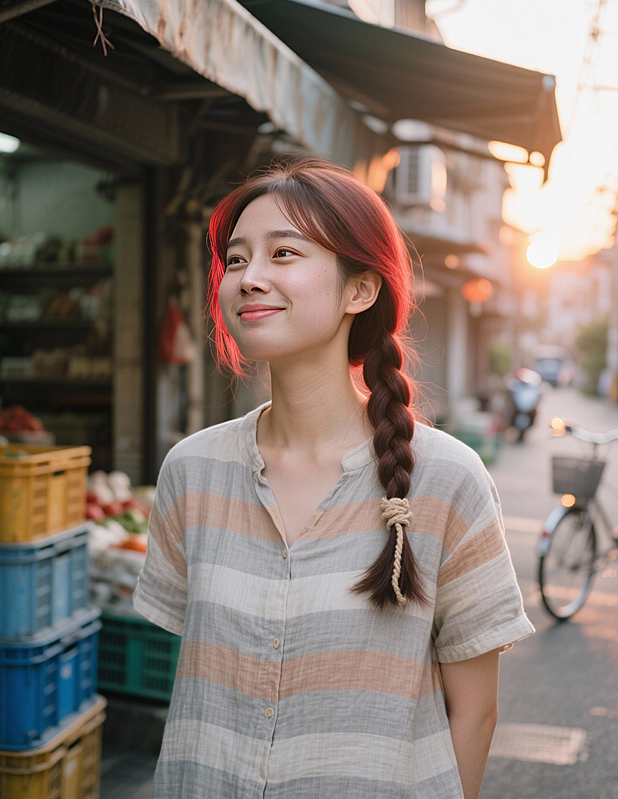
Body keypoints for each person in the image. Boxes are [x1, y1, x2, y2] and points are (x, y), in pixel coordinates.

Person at [133, 158, 534, 799]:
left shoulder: (447, 480)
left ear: (360, 290)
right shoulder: (192, 471)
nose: (249, 279)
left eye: (283, 253)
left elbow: (476, 712)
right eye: (235, 261)